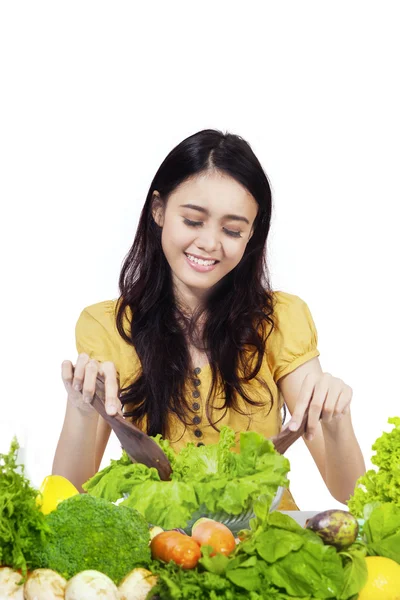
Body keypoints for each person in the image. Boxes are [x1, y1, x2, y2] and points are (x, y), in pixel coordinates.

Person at [53, 129, 365, 509]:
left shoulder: (281, 319)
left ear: (252, 234)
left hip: (266, 547)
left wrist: (336, 421)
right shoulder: (107, 326)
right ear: (159, 210)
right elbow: (68, 499)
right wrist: (84, 410)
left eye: (232, 229)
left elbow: (348, 491)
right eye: (193, 221)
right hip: (162, 551)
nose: (210, 243)